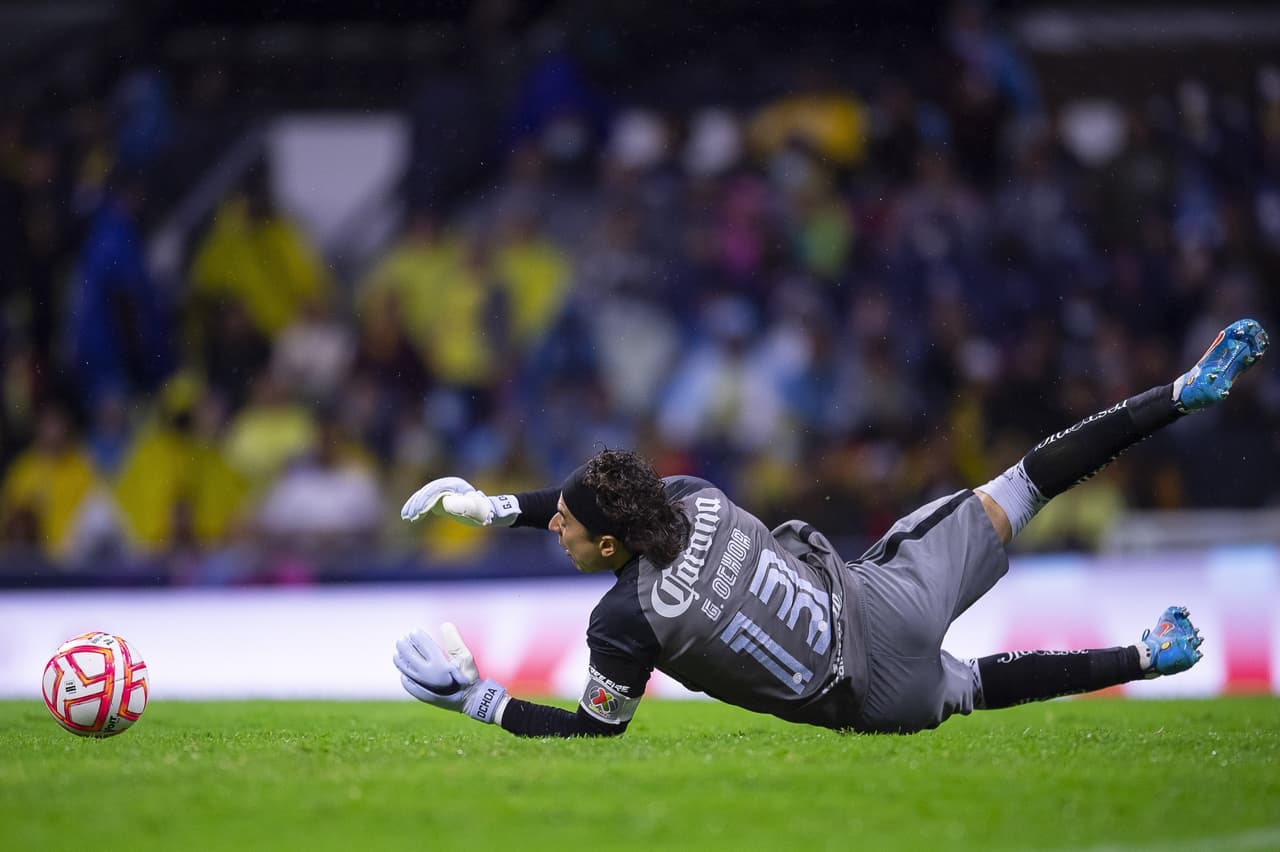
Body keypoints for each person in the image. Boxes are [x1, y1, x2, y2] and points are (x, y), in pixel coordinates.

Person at [393, 319, 1269, 736]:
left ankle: (1150, 658)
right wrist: (497, 506)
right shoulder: (694, 495)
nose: (558, 533)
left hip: (866, 699)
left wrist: (477, 698)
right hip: (884, 599)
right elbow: (598, 500)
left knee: (974, 688)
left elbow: (594, 732)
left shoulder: (623, 624)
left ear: (610, 547)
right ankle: (1181, 394)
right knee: (1023, 484)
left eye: (566, 531)